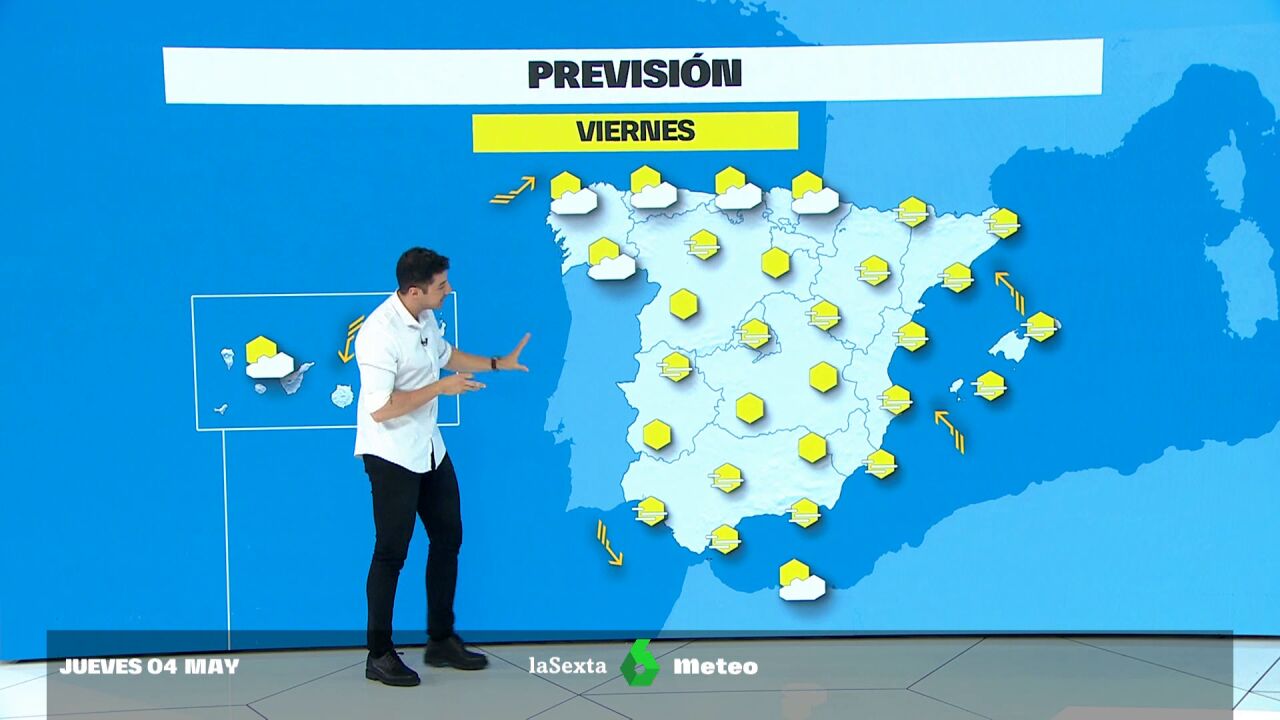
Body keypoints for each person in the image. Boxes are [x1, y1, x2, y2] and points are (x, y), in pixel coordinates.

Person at [353, 247, 530, 687]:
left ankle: (440, 640)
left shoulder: (426, 317)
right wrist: (439, 389)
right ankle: (379, 654)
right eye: (441, 285)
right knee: (391, 553)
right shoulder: (377, 334)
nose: (448, 290)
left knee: (448, 537)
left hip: (429, 447)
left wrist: (497, 364)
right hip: (391, 454)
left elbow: (447, 355)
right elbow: (381, 409)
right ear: (414, 290)